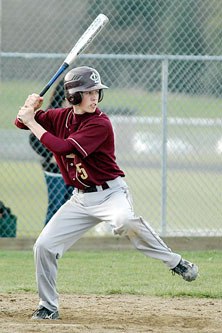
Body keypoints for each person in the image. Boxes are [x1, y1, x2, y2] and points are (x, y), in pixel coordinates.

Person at [15, 66, 198, 320]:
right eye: (88, 93)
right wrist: (29, 109)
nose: (94, 97)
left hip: (111, 194)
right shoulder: (61, 117)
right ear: (73, 97)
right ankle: (48, 306)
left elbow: (64, 146)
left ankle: (175, 261)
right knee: (44, 246)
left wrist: (32, 120)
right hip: (80, 199)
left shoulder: (100, 123)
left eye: (96, 92)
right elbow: (20, 123)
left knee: (123, 222)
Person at [28, 80, 73, 225]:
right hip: (55, 169)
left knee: (70, 208)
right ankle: (47, 242)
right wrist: (51, 155)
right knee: (56, 206)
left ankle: (63, 242)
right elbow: (34, 140)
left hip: (73, 169)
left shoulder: (79, 115)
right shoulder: (51, 114)